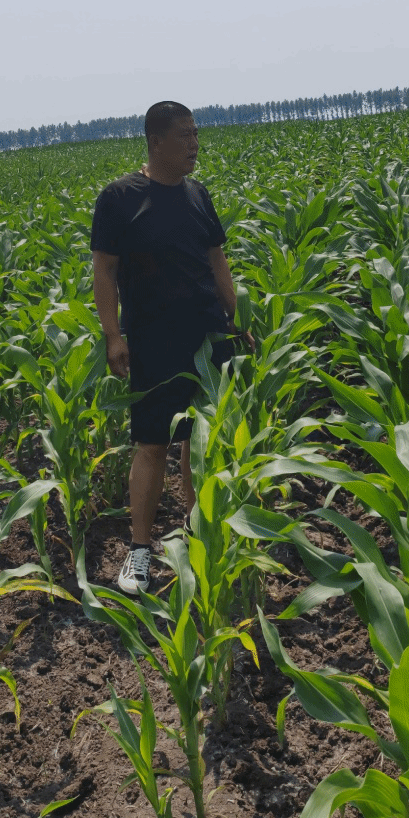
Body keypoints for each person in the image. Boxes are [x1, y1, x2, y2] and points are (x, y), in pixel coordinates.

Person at [90, 101, 243, 594]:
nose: (195, 144)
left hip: (207, 337)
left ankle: (199, 539)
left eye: (196, 134)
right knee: (152, 445)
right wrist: (113, 335)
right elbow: (104, 271)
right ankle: (139, 551)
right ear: (156, 142)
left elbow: (217, 260)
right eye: (185, 135)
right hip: (154, 340)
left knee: (200, 443)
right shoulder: (119, 198)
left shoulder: (198, 195)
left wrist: (237, 318)